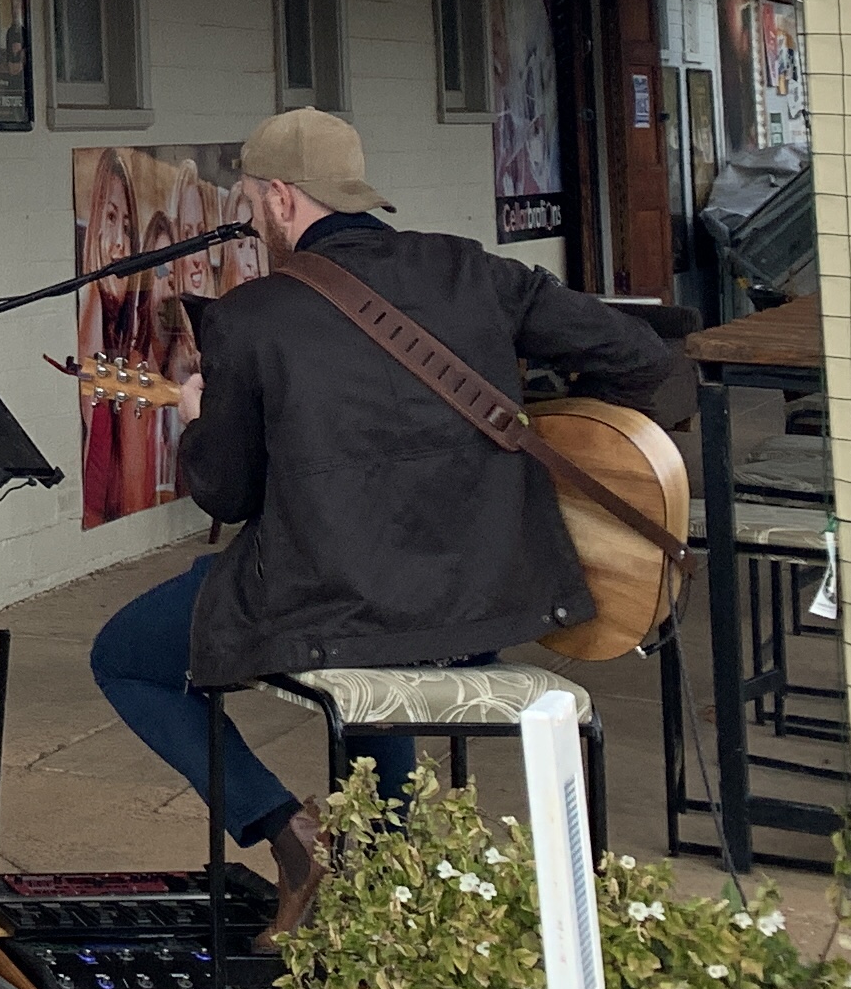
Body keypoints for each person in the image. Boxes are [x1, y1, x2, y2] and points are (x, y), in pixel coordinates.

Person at [85, 108, 683, 934]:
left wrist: (198, 420)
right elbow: (643, 359)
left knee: (126, 658)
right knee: (378, 642)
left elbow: (228, 495)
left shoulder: (254, 317)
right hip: (484, 602)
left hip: (337, 608)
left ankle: (287, 831)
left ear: (282, 198)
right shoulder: (472, 270)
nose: (256, 220)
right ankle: (384, 890)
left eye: (255, 202)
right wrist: (547, 431)